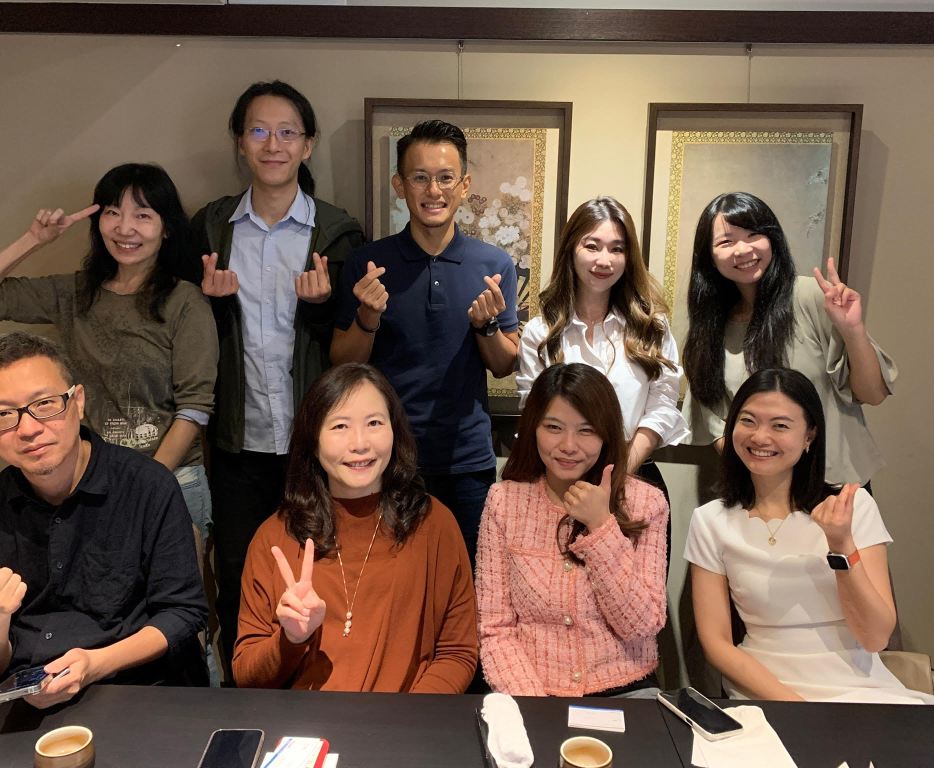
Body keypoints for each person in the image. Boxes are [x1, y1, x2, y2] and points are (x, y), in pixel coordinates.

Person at [177, 81, 364, 673]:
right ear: (240, 142)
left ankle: (323, 687)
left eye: (287, 132)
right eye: (259, 130)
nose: (273, 144)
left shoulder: (338, 232)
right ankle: (247, 694)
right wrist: (211, 306)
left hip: (316, 441)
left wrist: (323, 307)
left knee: (326, 571)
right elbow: (184, 331)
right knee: (238, 576)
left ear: (307, 145)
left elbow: (356, 346)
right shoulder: (211, 228)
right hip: (240, 441)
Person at [0, 163, 219, 559]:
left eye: (143, 215)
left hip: (172, 478)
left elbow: (194, 408)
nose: (125, 228)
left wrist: (145, 483)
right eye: (113, 212)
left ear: (166, 228)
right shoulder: (74, 293)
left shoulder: (185, 301)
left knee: (175, 595)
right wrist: (35, 239)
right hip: (89, 481)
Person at [0, 333, 208, 706]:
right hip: (25, 701)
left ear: (77, 401)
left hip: (141, 689)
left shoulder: (146, 485)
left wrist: (95, 664)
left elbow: (182, 612)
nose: (28, 429)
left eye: (44, 404)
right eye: (2, 415)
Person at [686, 367, 934, 704]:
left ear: (809, 436)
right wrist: (799, 709)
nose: (760, 437)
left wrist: (841, 545)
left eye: (780, 425)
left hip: (859, 687)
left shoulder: (851, 506)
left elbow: (876, 637)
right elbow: (717, 643)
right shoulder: (710, 520)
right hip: (764, 689)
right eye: (748, 421)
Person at [331, 119, 519, 564]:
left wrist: (486, 327)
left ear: (464, 185)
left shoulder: (493, 265)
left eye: (445, 177)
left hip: (467, 460)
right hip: (386, 456)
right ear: (400, 185)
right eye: (419, 177)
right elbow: (342, 363)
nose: (433, 190)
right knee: (389, 578)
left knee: (468, 577)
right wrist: (368, 317)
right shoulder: (368, 262)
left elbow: (504, 364)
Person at [234, 363, 477, 692]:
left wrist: (409, 717)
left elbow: (457, 653)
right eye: (340, 426)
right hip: (304, 723)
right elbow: (246, 675)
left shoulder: (433, 524)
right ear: (313, 440)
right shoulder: (276, 536)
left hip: (406, 719)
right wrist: (291, 638)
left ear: (395, 430)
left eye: (374, 423)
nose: (360, 443)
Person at [477, 363, 669, 697]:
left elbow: (642, 625)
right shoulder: (504, 502)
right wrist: (536, 706)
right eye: (553, 427)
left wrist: (602, 527)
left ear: (606, 434)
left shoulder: (646, 503)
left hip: (625, 689)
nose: (568, 445)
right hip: (531, 691)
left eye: (586, 430)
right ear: (533, 427)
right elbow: (495, 628)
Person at [682, 191, 896, 488]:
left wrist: (853, 330)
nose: (743, 249)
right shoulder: (710, 328)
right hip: (764, 492)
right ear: (709, 255)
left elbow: (873, 394)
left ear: (773, 239)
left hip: (834, 485)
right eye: (726, 242)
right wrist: (759, 479)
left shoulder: (810, 297)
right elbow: (718, 426)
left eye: (754, 234)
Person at [517, 196, 689, 495]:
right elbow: (533, 410)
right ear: (571, 249)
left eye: (617, 249)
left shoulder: (651, 328)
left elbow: (662, 406)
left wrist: (619, 473)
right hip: (560, 479)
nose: (604, 260)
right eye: (592, 246)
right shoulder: (540, 333)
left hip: (634, 477)